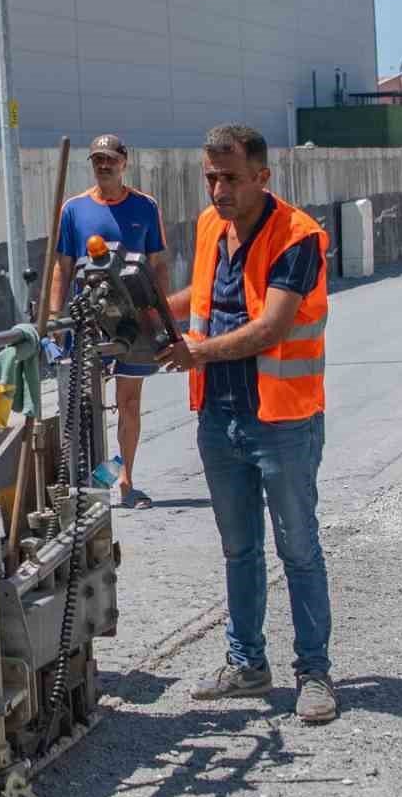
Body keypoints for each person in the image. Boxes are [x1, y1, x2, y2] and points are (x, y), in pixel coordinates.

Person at [161, 123, 336, 725]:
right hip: (220, 414)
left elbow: (272, 329)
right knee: (239, 549)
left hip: (281, 419)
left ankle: (314, 673)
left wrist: (195, 353)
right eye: (210, 177)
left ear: (262, 176)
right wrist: (152, 310)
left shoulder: (298, 237)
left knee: (298, 548)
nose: (218, 189)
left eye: (230, 178)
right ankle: (246, 664)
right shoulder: (213, 225)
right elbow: (203, 295)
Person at [48, 134, 168, 510]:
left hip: (132, 320)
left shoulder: (145, 207)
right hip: (87, 320)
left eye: (110, 159)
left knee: (128, 403)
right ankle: (88, 485)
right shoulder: (74, 210)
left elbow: (159, 263)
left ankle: (126, 481)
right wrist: (54, 321)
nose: (104, 165)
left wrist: (162, 316)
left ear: (123, 162)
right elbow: (62, 267)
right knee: (83, 405)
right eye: (97, 159)